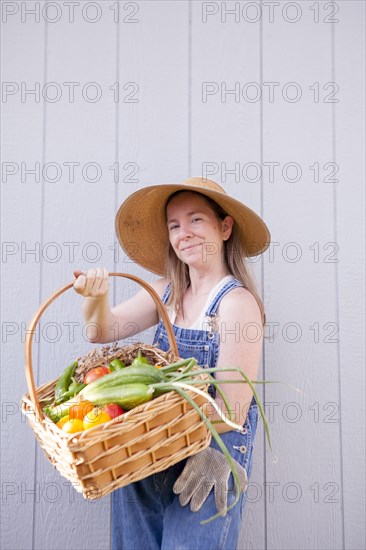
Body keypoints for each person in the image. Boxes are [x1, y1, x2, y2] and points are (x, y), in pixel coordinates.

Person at [73, 176, 270, 550]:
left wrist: (156, 427)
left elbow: (233, 406)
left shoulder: (235, 303)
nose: (184, 233)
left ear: (224, 227)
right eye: (174, 225)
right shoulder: (167, 291)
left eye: (196, 220)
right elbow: (101, 331)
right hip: (146, 458)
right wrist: (95, 298)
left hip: (206, 459)